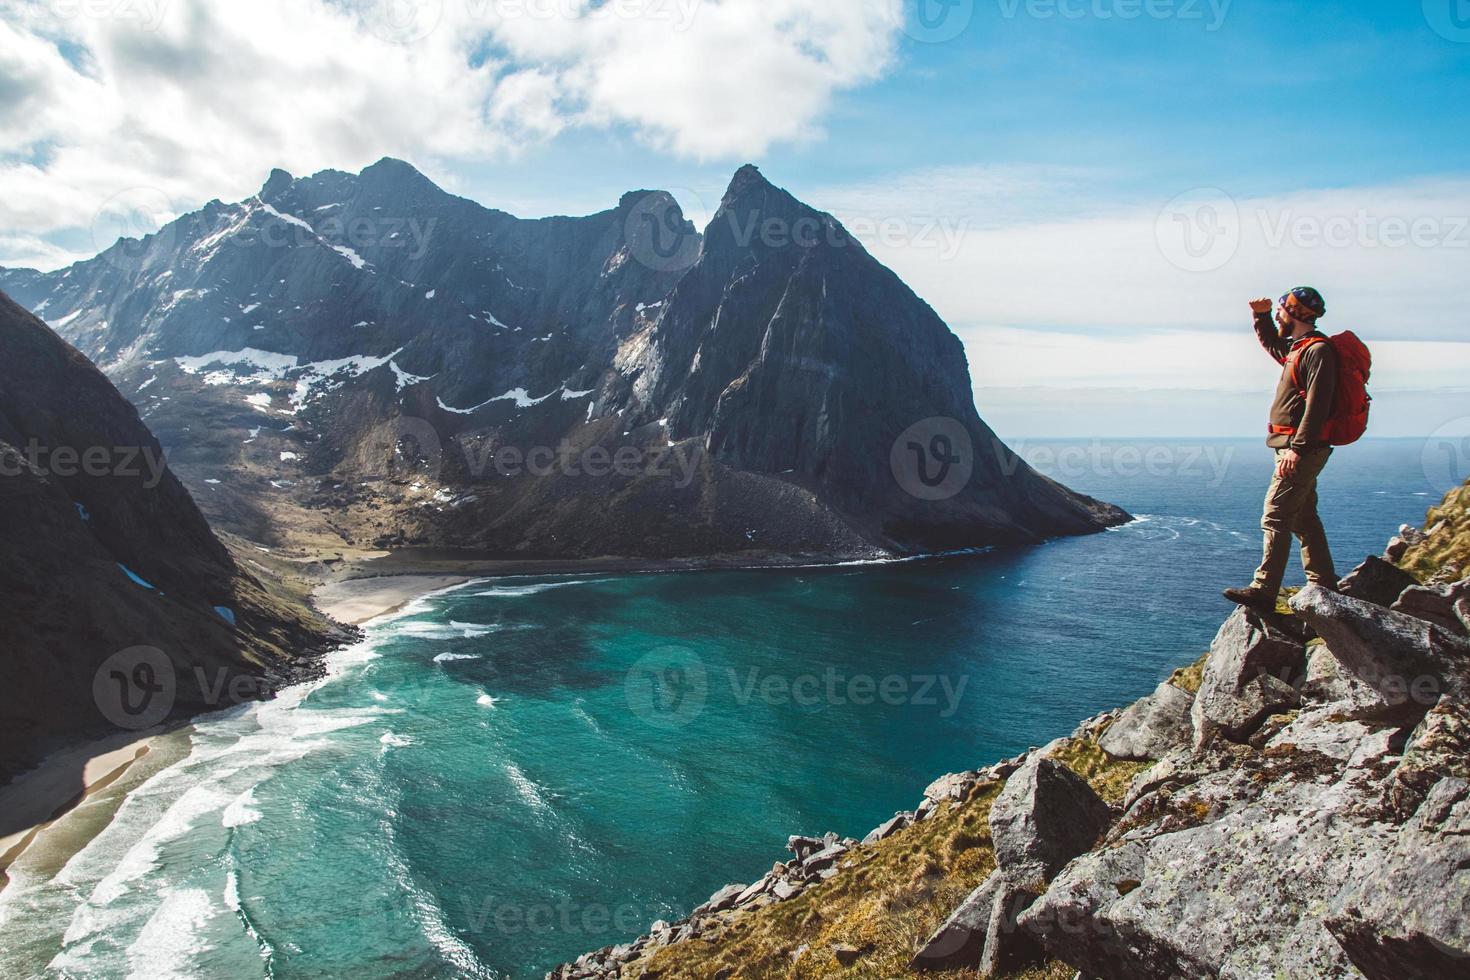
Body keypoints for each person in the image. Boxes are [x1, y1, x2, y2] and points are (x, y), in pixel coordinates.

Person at [1224, 286, 1339, 611]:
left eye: (1280, 311)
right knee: (1304, 518)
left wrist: (1298, 449)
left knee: (1274, 516)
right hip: (1293, 448)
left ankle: (1263, 590)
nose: (1277, 315)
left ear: (1295, 313)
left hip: (1299, 450)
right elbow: (1274, 345)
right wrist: (1260, 317)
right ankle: (1325, 585)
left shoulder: (1318, 351)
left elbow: (1319, 405)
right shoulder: (1298, 349)